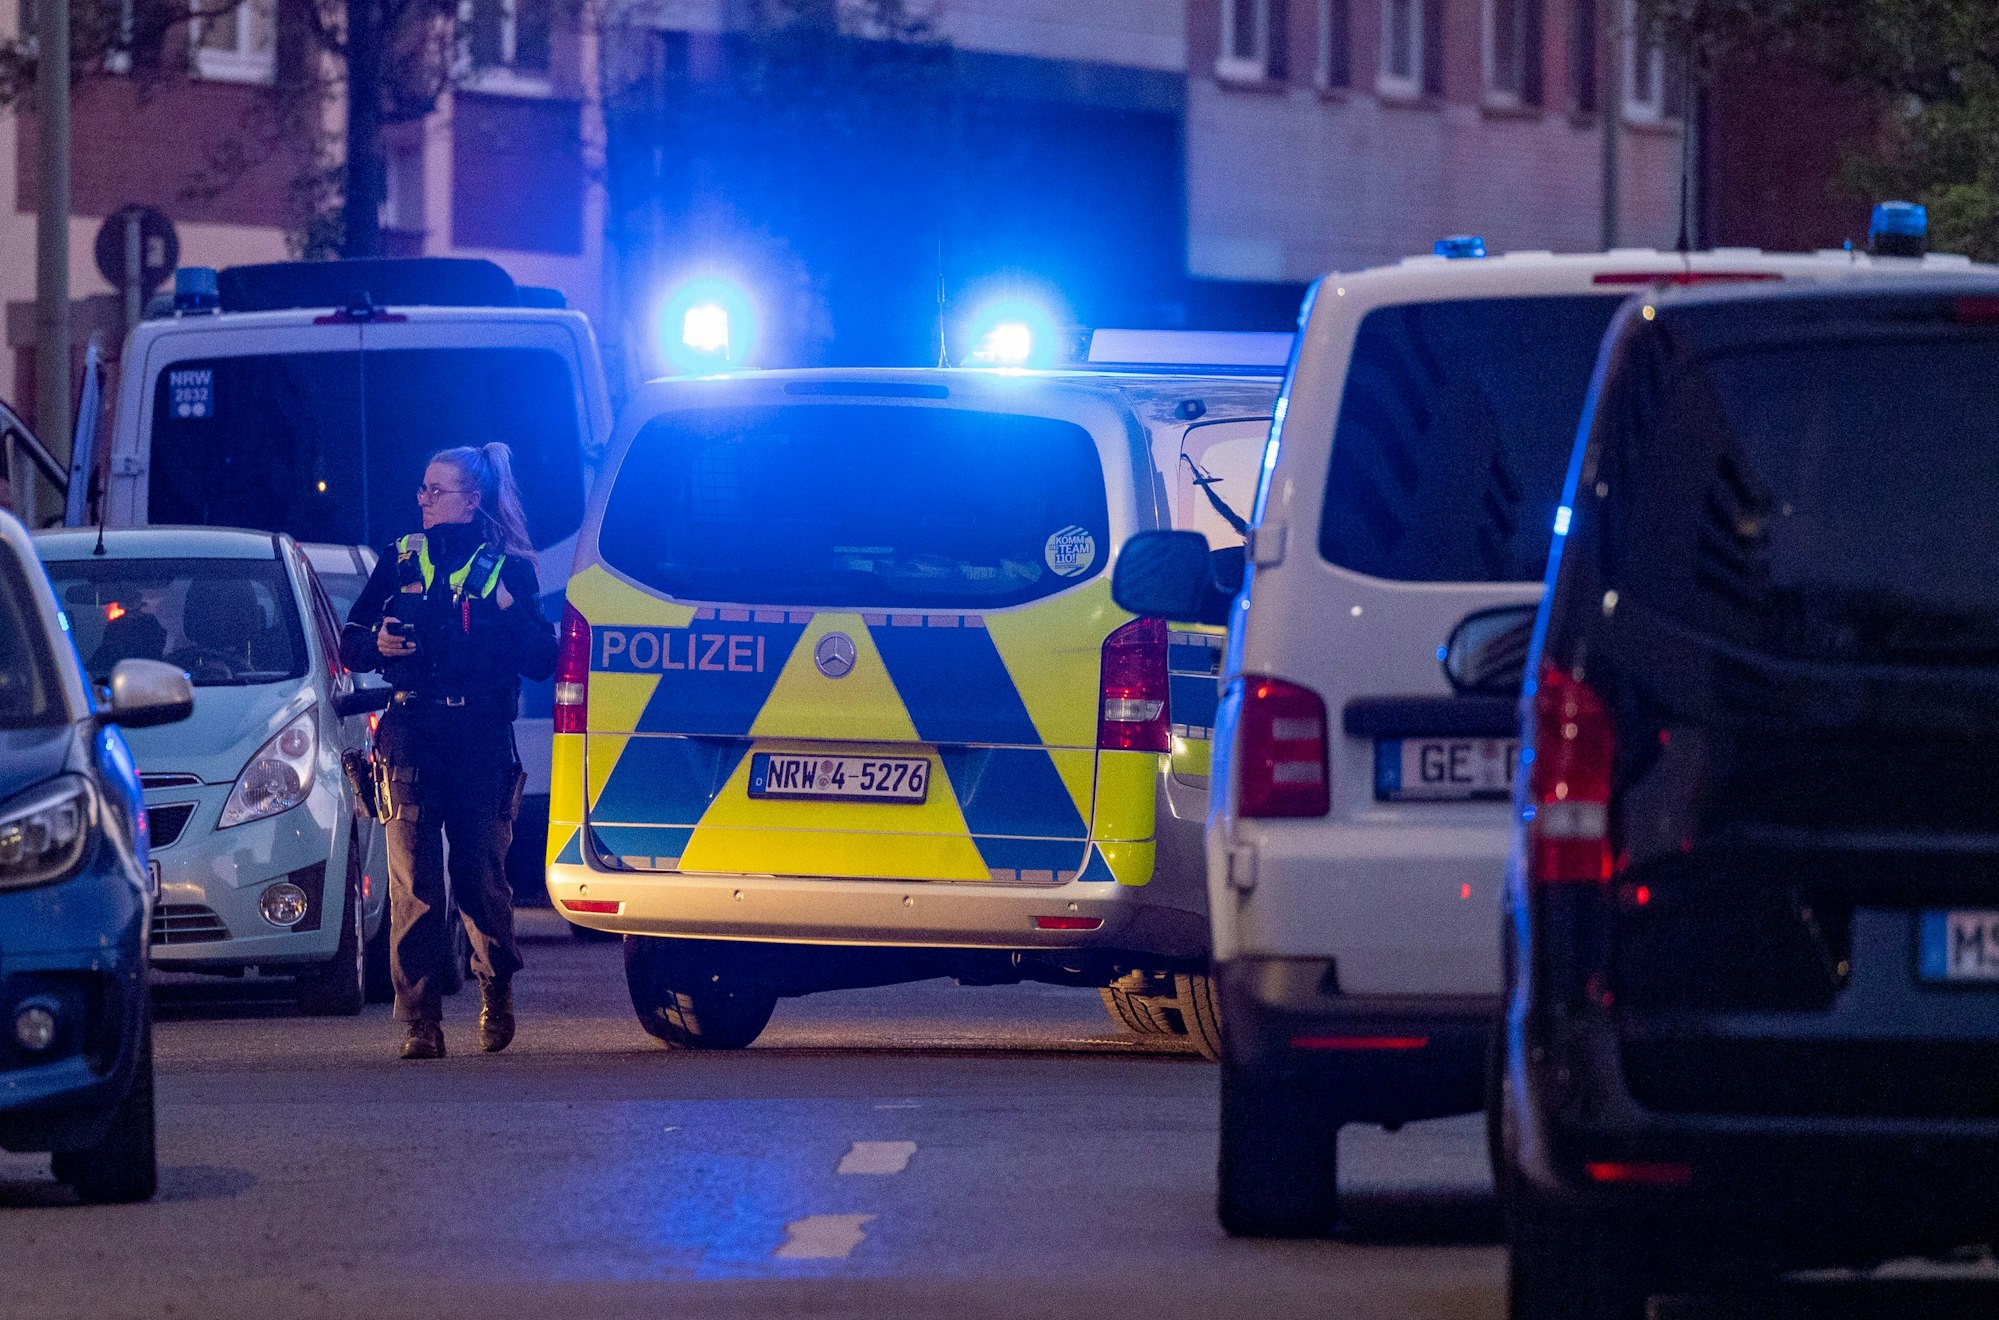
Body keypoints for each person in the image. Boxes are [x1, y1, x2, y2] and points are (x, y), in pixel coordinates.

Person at [341, 444, 557, 1059]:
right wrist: (378, 643)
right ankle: (419, 1020)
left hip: (481, 736)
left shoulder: (508, 568)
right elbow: (352, 641)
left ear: (473, 499)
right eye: (423, 489)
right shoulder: (401, 557)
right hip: (410, 729)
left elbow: (542, 660)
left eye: (438, 490)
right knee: (413, 879)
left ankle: (496, 987)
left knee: (478, 875)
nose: (425, 500)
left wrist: (512, 614)